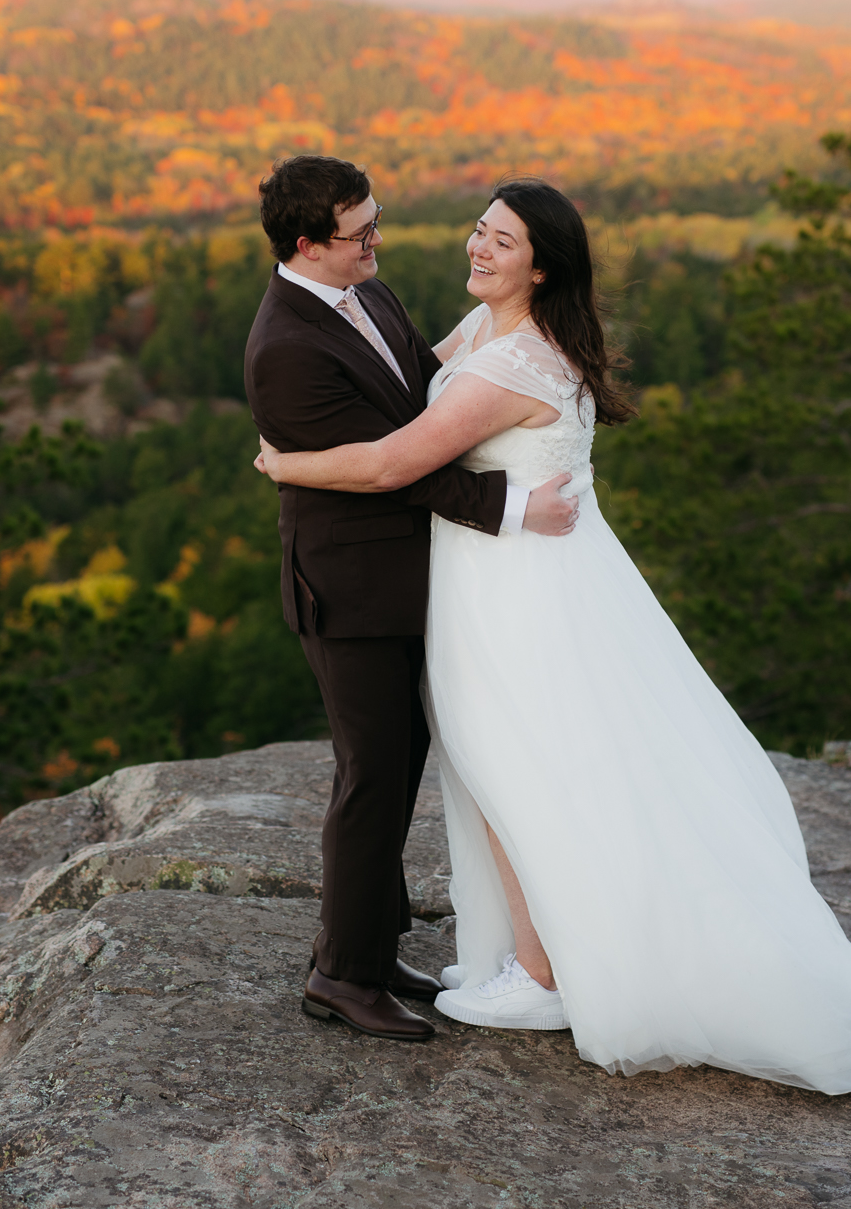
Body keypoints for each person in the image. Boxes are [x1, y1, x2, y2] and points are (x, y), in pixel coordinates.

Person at [252, 177, 851, 1102]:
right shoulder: (482, 334)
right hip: (490, 578)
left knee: (520, 767)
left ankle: (547, 971)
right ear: (316, 239)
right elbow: (413, 392)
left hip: (516, 592)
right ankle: (490, 959)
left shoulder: (514, 360)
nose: (473, 247)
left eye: (502, 241)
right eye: (479, 230)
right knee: (497, 766)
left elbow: (403, 456)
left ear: (543, 266)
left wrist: (288, 463)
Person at [242, 156, 581, 1045]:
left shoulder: (365, 291)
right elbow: (391, 472)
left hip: (406, 583)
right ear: (308, 245)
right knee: (371, 779)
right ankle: (340, 977)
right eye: (360, 235)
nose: (377, 244)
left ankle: (372, 943)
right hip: (349, 591)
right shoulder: (286, 346)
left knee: (398, 767)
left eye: (377, 223)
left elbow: (421, 408)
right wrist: (509, 506)